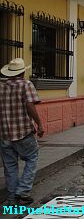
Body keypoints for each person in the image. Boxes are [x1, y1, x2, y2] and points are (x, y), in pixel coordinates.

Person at [0, 58, 44, 205]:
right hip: (23, 131)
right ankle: (23, 191)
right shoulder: (25, 84)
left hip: (4, 133)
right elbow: (30, 105)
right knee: (32, 158)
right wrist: (40, 124)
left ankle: (12, 198)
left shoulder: (1, 86)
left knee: (10, 166)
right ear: (23, 72)